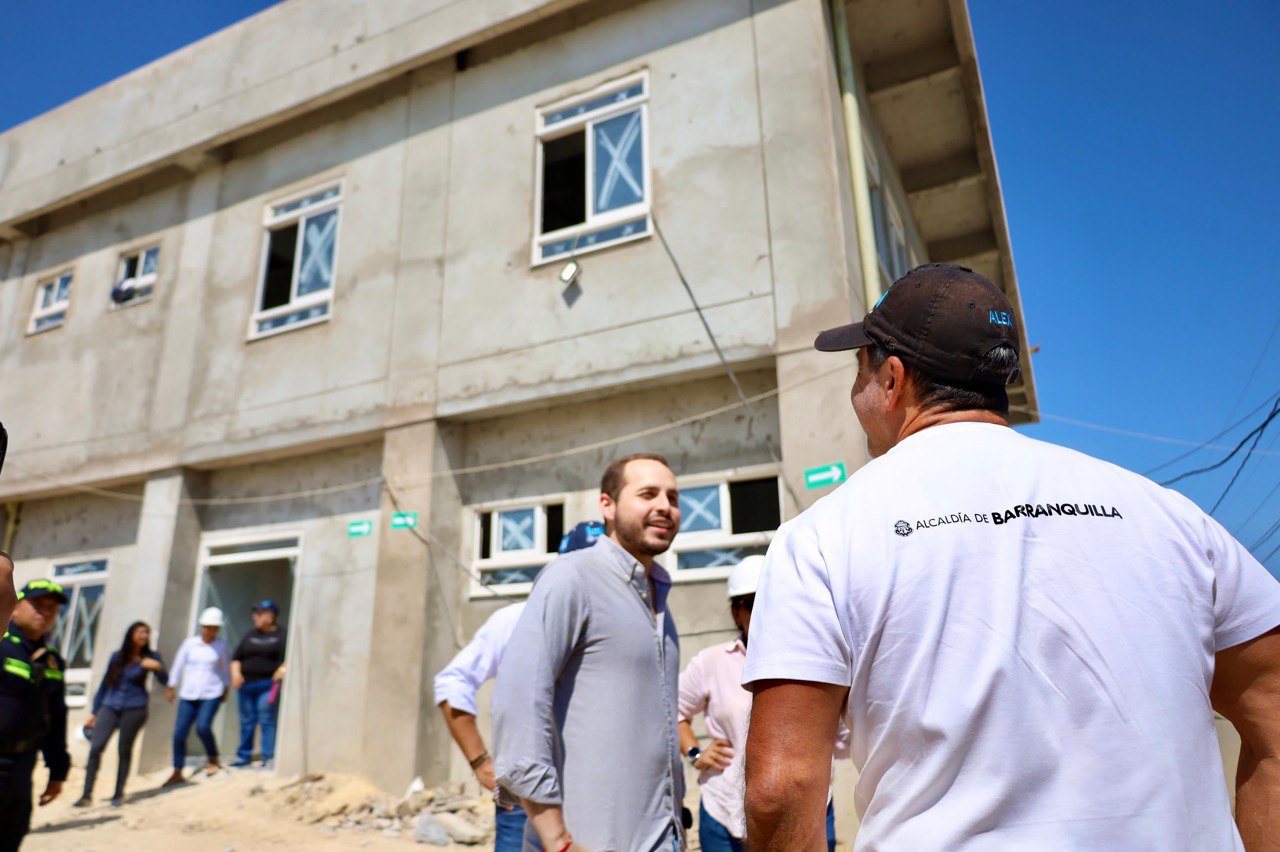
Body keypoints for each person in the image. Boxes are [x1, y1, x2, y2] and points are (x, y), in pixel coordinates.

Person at [742, 263, 1280, 850]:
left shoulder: (821, 537)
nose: (856, 392)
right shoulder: (1170, 515)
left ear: (892, 380)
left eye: (859, 369)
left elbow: (780, 792)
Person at [495, 455, 685, 852]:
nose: (664, 506)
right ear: (607, 505)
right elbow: (520, 702)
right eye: (647, 494)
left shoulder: (659, 601)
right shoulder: (573, 577)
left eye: (672, 496)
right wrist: (556, 839)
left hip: (662, 837)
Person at [434, 520, 604, 852]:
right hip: (527, 795)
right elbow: (454, 681)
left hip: (597, 795)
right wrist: (480, 761)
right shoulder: (516, 619)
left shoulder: (626, 627)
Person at [677, 557, 839, 852]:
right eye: (753, 603)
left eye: (773, 601)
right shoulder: (711, 662)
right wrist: (695, 753)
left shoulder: (816, 660)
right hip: (724, 811)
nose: (766, 613)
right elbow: (672, 711)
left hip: (808, 811)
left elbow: (843, 737)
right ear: (736, 612)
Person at [0, 580, 70, 849]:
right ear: (15, 607)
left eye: (52, 608)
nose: (46, 612)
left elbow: (57, 716)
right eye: (38, 605)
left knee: (11, 832)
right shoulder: (1, 644)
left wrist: (58, 770)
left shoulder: (52, 660)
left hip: (23, 764)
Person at [75, 621, 168, 807]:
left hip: (135, 708)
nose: (144, 636)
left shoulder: (151, 657)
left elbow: (165, 680)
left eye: (147, 633)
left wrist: (158, 667)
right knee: (96, 747)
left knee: (124, 750)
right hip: (110, 706)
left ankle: (118, 794)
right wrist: (94, 711)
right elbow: (105, 684)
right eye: (141, 632)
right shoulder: (117, 657)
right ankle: (86, 795)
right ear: (131, 634)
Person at [164, 606, 230, 785]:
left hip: (212, 692)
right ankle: (177, 769)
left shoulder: (221, 646)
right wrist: (171, 685)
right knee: (180, 732)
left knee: (203, 727)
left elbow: (225, 669)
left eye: (215, 628)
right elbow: (179, 664)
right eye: (209, 627)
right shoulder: (189, 644)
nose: (211, 631)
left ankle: (212, 758)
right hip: (189, 693)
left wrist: (226, 688)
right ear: (202, 627)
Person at [229, 600, 286, 769]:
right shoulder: (250, 635)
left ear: (271, 615)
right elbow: (236, 658)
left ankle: (268, 756)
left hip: (267, 685)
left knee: (266, 719)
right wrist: (236, 673)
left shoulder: (282, 635)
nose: (256, 617)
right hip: (246, 686)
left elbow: (289, 657)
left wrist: (282, 671)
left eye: (260, 613)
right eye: (256, 613)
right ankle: (243, 756)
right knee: (246, 721)